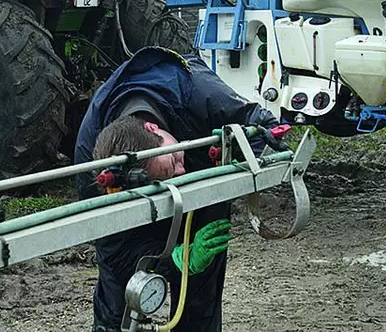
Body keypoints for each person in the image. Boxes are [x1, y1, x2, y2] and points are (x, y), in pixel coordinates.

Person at [74, 46, 281, 332]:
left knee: (198, 293)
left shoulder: (203, 95)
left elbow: (265, 129)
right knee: (116, 297)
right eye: (169, 170)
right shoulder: (93, 155)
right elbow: (114, 250)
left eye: (172, 159)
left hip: (204, 179)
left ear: (153, 128)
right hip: (136, 213)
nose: (178, 172)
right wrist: (167, 262)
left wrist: (236, 154)